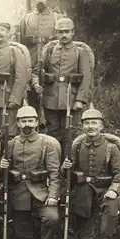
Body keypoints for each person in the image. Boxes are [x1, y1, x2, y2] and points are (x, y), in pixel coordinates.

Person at [61, 105, 120, 239]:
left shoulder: (111, 148)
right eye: (87, 123)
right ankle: (85, 237)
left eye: (94, 123)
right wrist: (65, 168)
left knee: (111, 205)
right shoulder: (77, 146)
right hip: (83, 187)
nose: (90, 127)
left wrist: (114, 189)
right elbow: (66, 174)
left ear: (101, 125)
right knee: (80, 199)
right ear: (82, 126)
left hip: (105, 189)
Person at [0, 106, 60, 239]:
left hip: (41, 190)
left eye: (30, 121)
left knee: (51, 218)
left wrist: (52, 195)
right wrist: (2, 166)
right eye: (23, 121)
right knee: (22, 238)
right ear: (18, 123)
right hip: (18, 191)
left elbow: (54, 173)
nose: (27, 124)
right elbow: (3, 172)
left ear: (37, 122)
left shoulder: (47, 144)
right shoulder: (11, 144)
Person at [32, 17, 92, 154]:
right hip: (50, 97)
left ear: (72, 32)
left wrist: (79, 99)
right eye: (60, 32)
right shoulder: (49, 50)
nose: (64, 35)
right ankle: (54, 163)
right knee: (52, 132)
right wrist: (36, 83)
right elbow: (36, 71)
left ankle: (68, 164)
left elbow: (86, 77)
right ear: (56, 33)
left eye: (67, 31)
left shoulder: (80, 51)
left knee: (69, 133)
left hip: (71, 98)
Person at [19, 0, 62, 114]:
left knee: (51, 93)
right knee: (31, 93)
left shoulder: (57, 18)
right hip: (31, 60)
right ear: (33, 0)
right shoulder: (25, 19)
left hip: (51, 62)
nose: (40, 0)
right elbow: (19, 43)